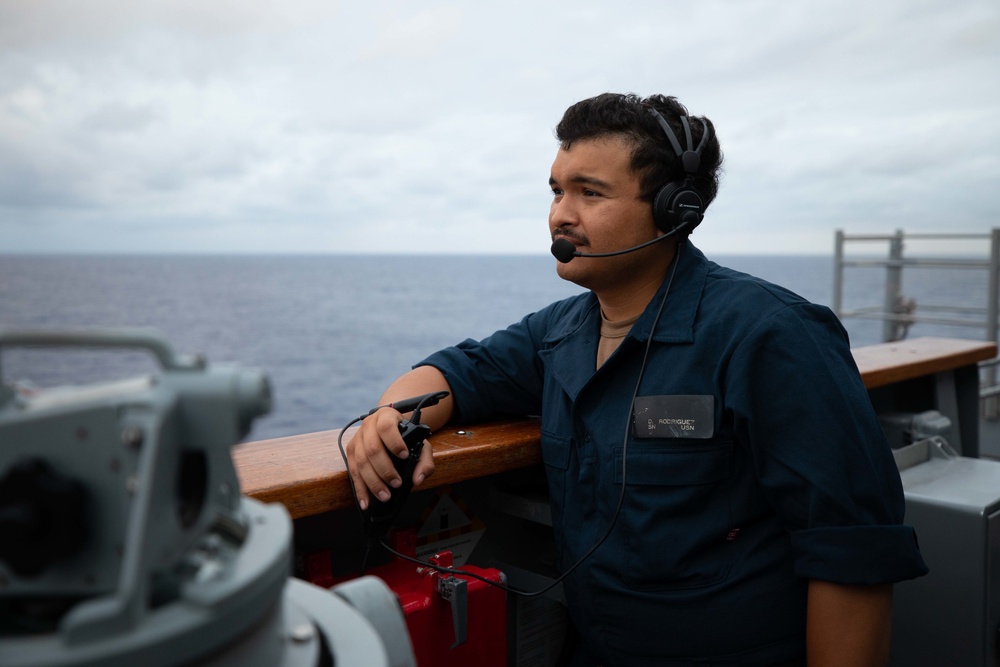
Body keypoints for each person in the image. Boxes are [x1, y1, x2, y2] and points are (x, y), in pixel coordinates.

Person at [346, 93, 928, 666]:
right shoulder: (559, 333)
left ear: (676, 209)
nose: (560, 214)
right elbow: (454, 371)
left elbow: (852, 553)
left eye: (590, 193)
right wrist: (390, 419)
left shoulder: (772, 336)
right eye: (556, 190)